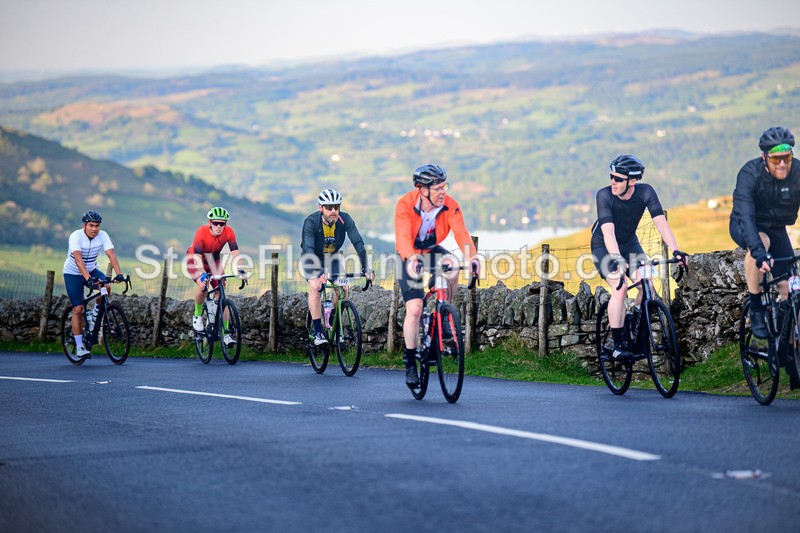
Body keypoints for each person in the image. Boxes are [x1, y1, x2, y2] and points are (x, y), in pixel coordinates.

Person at [590, 155, 688, 360]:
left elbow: (661, 222)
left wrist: (676, 250)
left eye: (618, 179)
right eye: (611, 177)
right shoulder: (604, 196)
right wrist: (617, 259)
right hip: (603, 246)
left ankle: (633, 326)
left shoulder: (646, 192)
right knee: (621, 286)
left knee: (647, 285)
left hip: (630, 244)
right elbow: (608, 233)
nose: (612, 182)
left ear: (632, 181)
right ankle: (617, 344)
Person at [394, 164, 479, 388]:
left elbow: (461, 233)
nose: (444, 192)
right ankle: (411, 362)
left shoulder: (449, 205)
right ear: (423, 190)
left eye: (445, 186)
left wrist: (472, 258)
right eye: (439, 188)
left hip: (431, 251)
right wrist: (412, 259)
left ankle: (443, 312)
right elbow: (402, 236)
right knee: (414, 308)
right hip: (408, 254)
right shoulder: (405, 204)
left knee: (451, 264)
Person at [730, 126, 798, 339]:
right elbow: (747, 216)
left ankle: (787, 343)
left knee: (790, 287)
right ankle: (757, 307)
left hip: (777, 228)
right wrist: (759, 253)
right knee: (762, 242)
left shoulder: (797, 172)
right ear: (764, 157)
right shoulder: (750, 174)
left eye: (786, 158)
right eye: (775, 159)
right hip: (747, 225)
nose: (782, 164)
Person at [301, 188, 374, 346]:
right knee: (315, 286)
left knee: (343, 289)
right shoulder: (311, 222)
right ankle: (318, 331)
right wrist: (318, 272)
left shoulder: (345, 219)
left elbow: (358, 242)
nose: (333, 210)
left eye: (336, 206)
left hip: (333, 258)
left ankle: (333, 321)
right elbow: (308, 249)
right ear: (321, 208)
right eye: (329, 207)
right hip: (311, 258)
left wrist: (366, 267)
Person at [63, 211, 125, 357]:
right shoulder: (76, 236)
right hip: (73, 273)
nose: (94, 229)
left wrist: (119, 274)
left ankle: (95, 315)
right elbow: (78, 260)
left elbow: (111, 254)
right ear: (85, 225)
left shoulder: (103, 235)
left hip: (91, 269)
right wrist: (88, 278)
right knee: (78, 309)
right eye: (91, 225)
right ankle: (79, 347)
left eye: (97, 226)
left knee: (106, 287)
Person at [186, 206, 243, 346]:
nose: (219, 226)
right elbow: (197, 257)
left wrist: (241, 270)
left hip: (213, 260)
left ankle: (225, 335)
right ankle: (197, 316)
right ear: (209, 222)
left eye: (222, 223)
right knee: (203, 284)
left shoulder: (229, 232)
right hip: (195, 259)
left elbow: (235, 253)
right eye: (215, 223)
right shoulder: (201, 232)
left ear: (226, 224)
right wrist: (202, 274)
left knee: (221, 293)